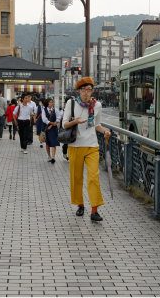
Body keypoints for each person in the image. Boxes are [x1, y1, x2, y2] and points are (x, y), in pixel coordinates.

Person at [62, 77, 111, 222]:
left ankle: (94, 210)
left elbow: (97, 125)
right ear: (78, 91)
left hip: (92, 145)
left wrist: (105, 132)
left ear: (92, 91)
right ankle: (80, 205)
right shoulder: (71, 103)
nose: (86, 93)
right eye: (83, 90)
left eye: (89, 89)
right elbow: (64, 124)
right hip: (75, 145)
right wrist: (75, 122)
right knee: (76, 178)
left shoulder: (97, 106)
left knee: (93, 177)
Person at [42, 98, 61, 164]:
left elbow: (58, 118)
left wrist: (53, 124)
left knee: (53, 142)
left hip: (53, 129)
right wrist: (50, 123)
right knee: (47, 143)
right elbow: (44, 119)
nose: (51, 103)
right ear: (47, 103)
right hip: (46, 128)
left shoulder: (55, 110)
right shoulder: (44, 110)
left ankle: (53, 157)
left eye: (52, 102)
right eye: (50, 102)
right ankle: (49, 156)